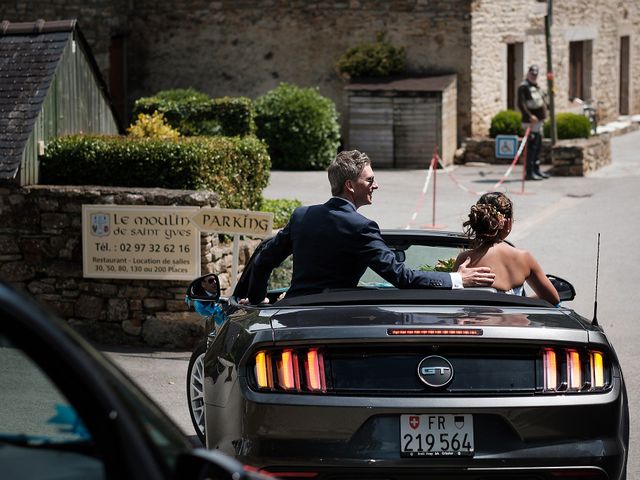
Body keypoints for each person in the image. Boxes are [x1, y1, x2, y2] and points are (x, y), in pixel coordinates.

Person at [246, 150, 495, 304]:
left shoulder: (302, 216)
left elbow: (263, 260)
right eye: (370, 180)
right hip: (332, 317)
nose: (376, 186)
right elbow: (400, 277)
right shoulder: (361, 226)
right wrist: (457, 279)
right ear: (350, 186)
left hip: (294, 309)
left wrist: (257, 301)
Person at [453, 192, 559, 305]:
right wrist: (519, 302)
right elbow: (553, 299)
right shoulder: (524, 258)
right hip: (514, 322)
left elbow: (453, 301)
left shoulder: (464, 260)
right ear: (507, 222)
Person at [517, 64, 549, 181]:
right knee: (531, 146)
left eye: (535, 74)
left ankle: (536, 170)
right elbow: (521, 104)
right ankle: (529, 173)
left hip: (539, 121)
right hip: (530, 122)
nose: (534, 76)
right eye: (532, 74)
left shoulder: (536, 86)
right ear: (528, 73)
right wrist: (530, 116)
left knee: (538, 146)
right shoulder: (523, 87)